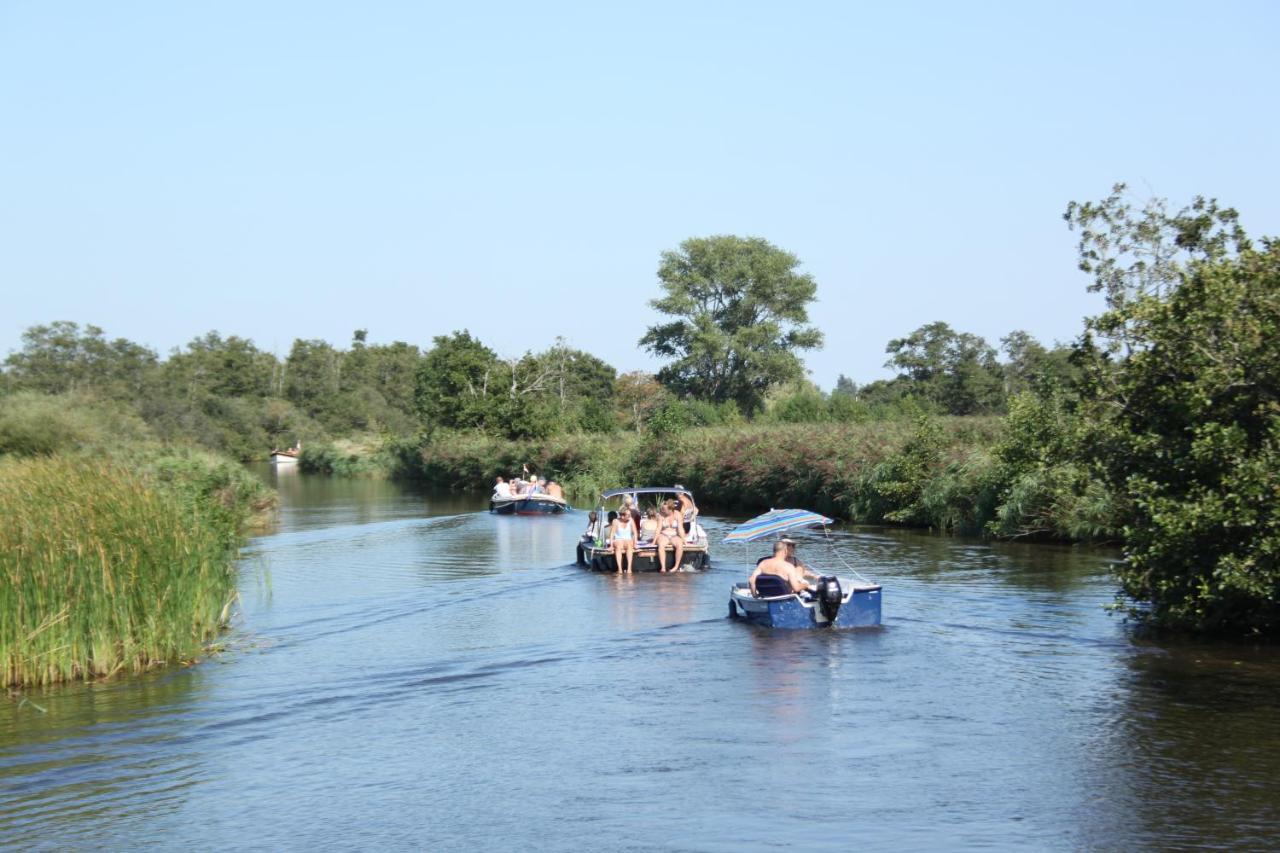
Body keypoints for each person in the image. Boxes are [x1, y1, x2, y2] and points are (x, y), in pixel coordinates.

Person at [654, 503, 684, 573]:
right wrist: (654, 541)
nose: (663, 510)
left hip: (674, 535)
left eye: (664, 509)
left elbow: (680, 529)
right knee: (661, 545)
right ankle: (663, 567)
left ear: (670, 509)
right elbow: (658, 529)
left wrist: (684, 540)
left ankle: (676, 566)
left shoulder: (678, 515)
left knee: (680, 544)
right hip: (664, 534)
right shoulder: (661, 515)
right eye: (662, 509)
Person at [609, 508, 637, 573]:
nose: (630, 516)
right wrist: (611, 545)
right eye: (628, 515)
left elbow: (635, 533)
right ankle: (620, 569)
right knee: (618, 546)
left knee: (629, 545)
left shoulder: (631, 520)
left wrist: (635, 543)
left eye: (630, 515)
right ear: (622, 516)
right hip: (618, 539)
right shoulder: (615, 521)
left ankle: (629, 568)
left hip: (628, 539)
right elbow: (612, 534)